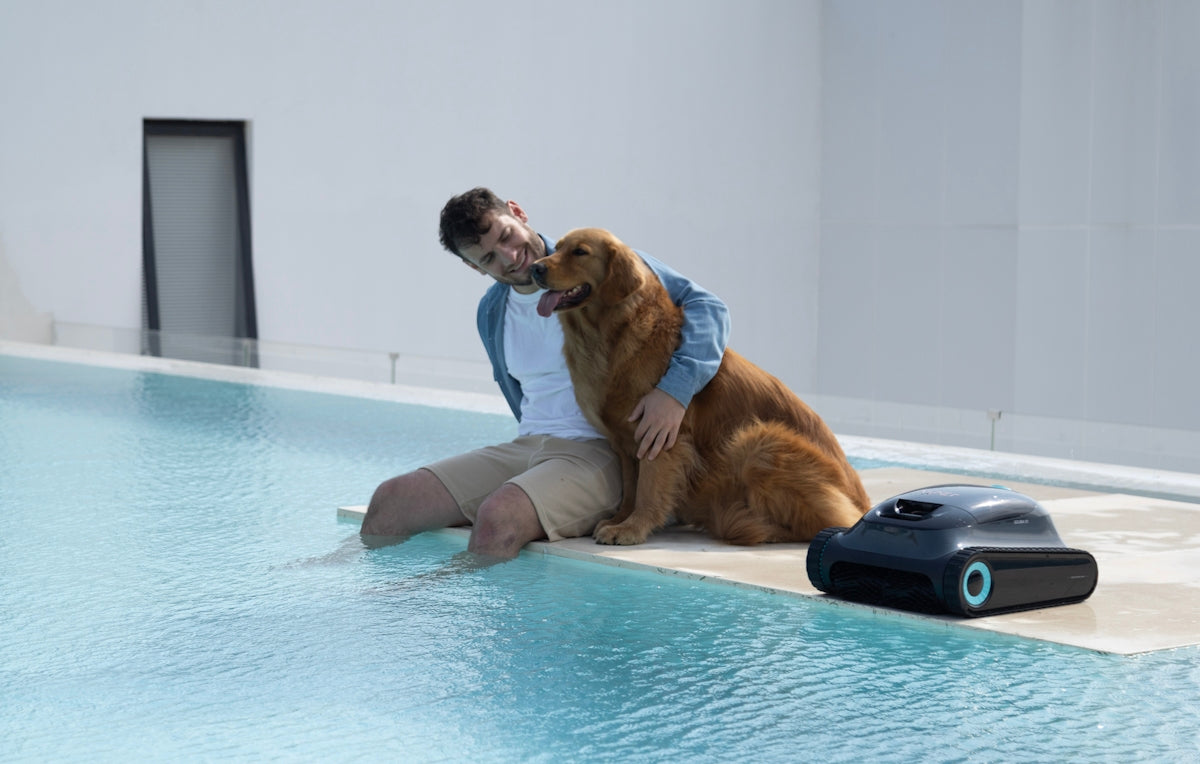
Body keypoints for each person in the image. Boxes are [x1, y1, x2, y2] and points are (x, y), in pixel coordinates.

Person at [360, 187, 730, 559]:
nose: (509, 256)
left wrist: (675, 392)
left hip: (603, 452)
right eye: (489, 257)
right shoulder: (492, 312)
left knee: (498, 517)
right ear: (474, 268)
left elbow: (708, 307)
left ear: (518, 213)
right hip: (531, 445)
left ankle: (467, 612)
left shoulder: (591, 259)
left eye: (506, 236)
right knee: (390, 501)